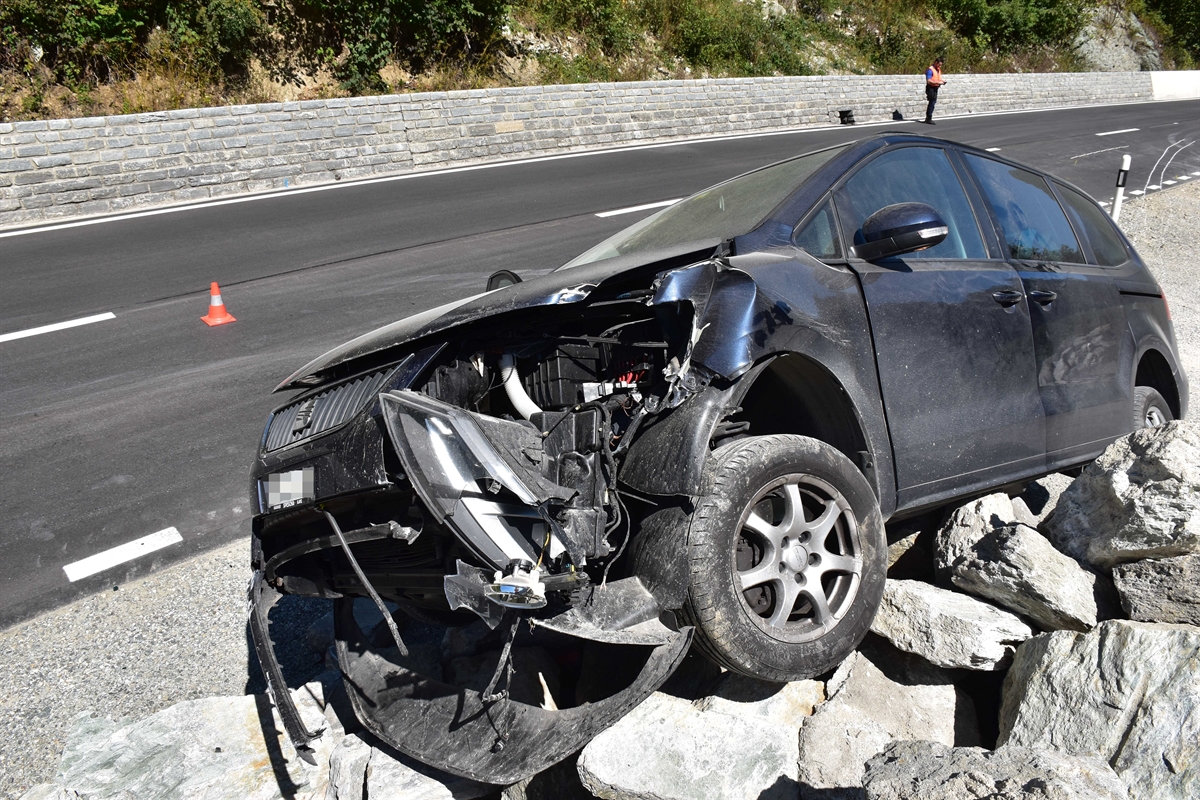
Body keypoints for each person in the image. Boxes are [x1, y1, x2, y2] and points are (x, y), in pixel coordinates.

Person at [924, 58, 945, 124]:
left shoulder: (938, 70)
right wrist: (938, 82)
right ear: (936, 62)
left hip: (935, 88)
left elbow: (937, 78)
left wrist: (942, 81)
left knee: (933, 102)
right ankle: (928, 118)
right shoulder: (930, 70)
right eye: (939, 64)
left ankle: (928, 118)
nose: (940, 66)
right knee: (932, 102)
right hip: (930, 88)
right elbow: (929, 81)